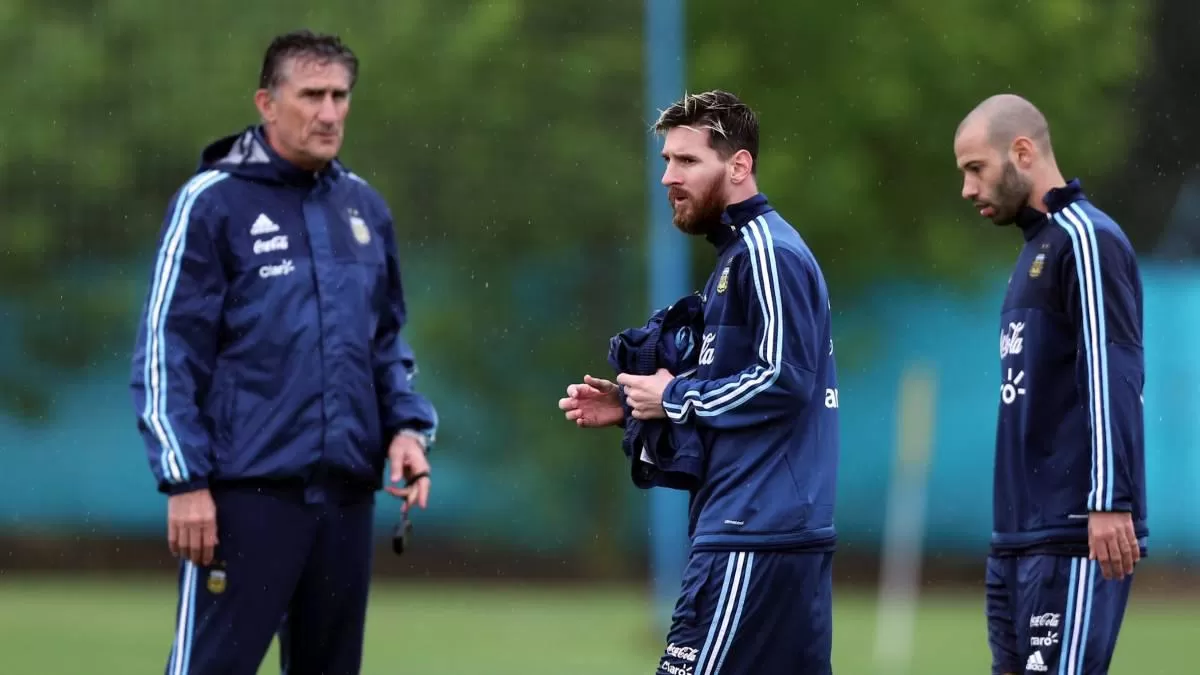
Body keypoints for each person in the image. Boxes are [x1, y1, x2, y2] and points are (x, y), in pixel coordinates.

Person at [128, 29, 438, 675]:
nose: (329, 113)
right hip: (246, 497)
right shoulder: (212, 203)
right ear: (267, 103)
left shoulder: (364, 207)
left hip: (347, 497)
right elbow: (167, 350)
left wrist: (406, 427)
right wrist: (186, 481)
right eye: (312, 95)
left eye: (340, 95)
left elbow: (384, 341)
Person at [559, 90, 841, 674]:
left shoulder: (767, 252)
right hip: (766, 529)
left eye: (686, 161)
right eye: (665, 160)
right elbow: (736, 380)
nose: (668, 176)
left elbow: (783, 379)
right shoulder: (738, 256)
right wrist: (637, 405)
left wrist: (673, 397)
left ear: (738, 166)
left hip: (753, 530)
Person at [953, 93, 1148, 675]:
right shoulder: (1035, 250)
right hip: (1018, 536)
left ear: (1022, 152)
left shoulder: (1085, 239)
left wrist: (1110, 502)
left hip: (1073, 533)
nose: (967, 189)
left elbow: (1112, 369)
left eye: (975, 169)